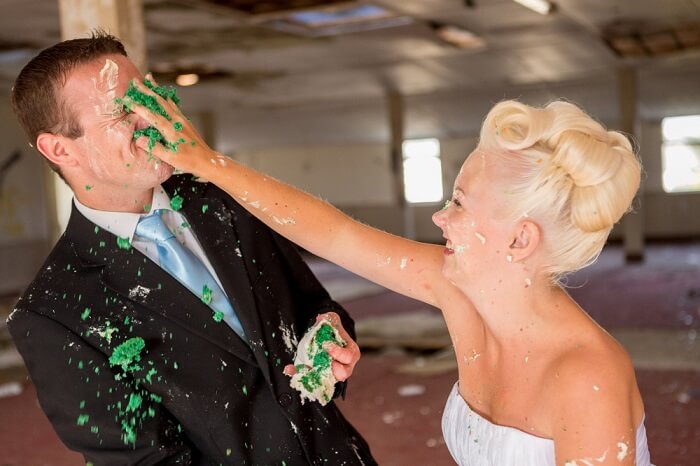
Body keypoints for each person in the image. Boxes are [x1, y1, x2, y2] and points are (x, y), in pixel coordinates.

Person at [126, 80, 654, 465]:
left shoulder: (588, 380)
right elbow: (336, 234)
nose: (440, 217)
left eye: (459, 203)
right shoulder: (461, 291)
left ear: (520, 240)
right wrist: (208, 163)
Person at [8, 32, 376, 465]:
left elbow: (312, 304)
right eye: (125, 111)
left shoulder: (225, 198)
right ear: (60, 149)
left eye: (151, 100)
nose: (158, 120)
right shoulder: (54, 312)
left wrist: (330, 336)